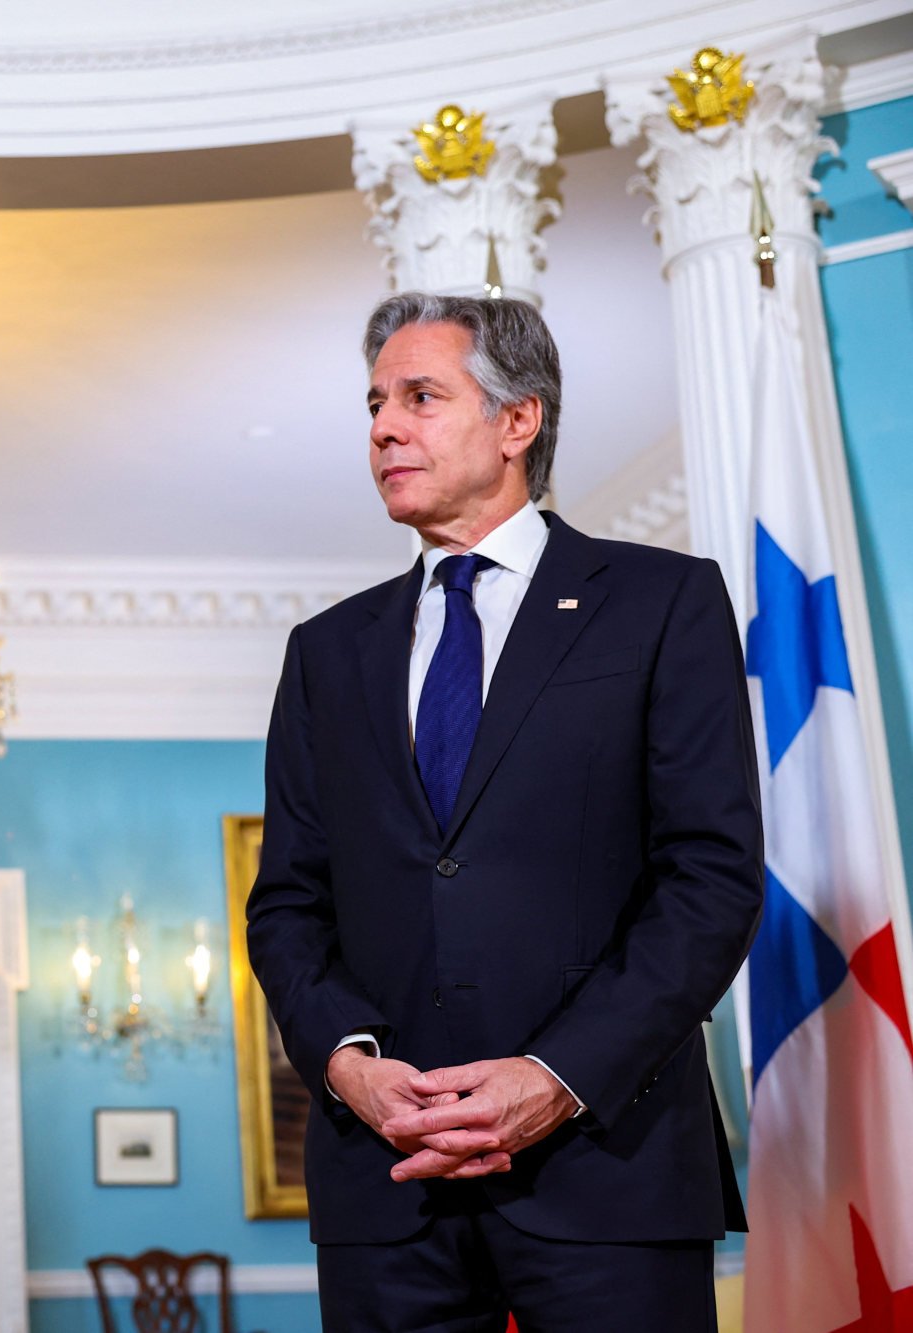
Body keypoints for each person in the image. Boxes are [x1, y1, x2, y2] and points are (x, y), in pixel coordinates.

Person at [246, 293, 762, 1332]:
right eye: (376, 403)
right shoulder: (327, 653)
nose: (383, 427)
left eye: (420, 397)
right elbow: (287, 904)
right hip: (385, 1190)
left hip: (605, 1172)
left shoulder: (662, 603)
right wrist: (350, 1071)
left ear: (517, 421)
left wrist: (555, 1075)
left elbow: (709, 878)